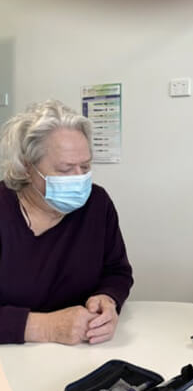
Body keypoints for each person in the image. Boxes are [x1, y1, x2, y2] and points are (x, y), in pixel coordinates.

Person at [0, 100, 133, 345]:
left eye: (85, 166)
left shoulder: (97, 204)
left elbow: (117, 271)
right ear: (27, 168)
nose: (79, 178)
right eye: (65, 169)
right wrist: (42, 328)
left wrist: (108, 298)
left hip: (81, 352)